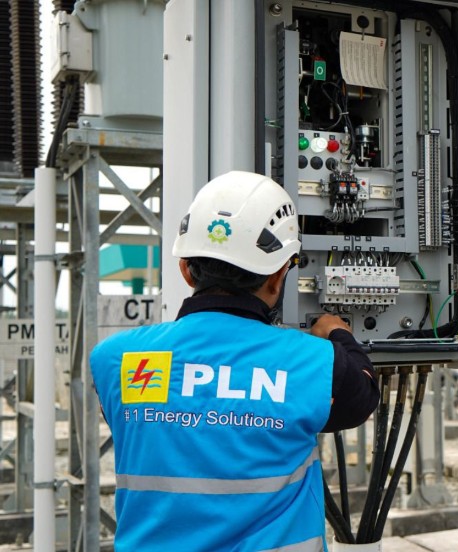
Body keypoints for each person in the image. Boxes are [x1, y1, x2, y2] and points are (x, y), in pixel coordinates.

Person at [90, 171, 379, 551]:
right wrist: (338, 333)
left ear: (185, 269)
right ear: (278, 276)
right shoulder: (316, 362)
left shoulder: (115, 359)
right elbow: (363, 392)